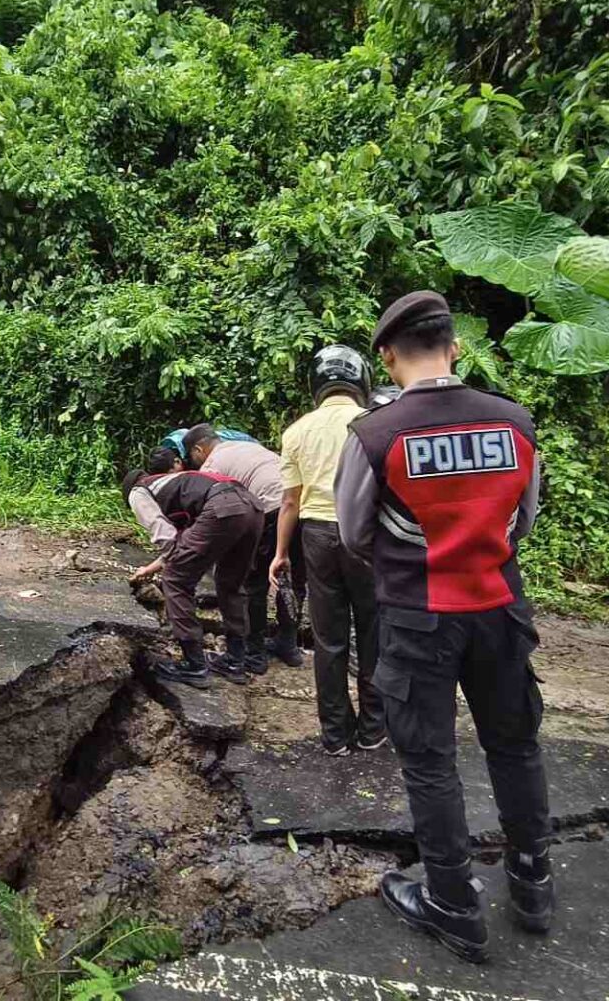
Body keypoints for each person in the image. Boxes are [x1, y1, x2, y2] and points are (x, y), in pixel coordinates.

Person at [335, 291, 552, 964]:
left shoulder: (375, 435)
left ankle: (455, 905)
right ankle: (533, 883)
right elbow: (526, 519)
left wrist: (411, 564)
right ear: (455, 348)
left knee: (431, 764)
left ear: (389, 358)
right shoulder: (514, 423)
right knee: (515, 747)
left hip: (418, 617)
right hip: (500, 610)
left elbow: (352, 533)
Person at [269, 346, 385, 757]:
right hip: (367, 535)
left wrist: (281, 552)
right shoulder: (374, 423)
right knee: (373, 630)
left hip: (315, 536)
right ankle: (373, 730)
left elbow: (289, 502)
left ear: (316, 385)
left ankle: (335, 735)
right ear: (362, 381)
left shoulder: (297, 431)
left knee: (328, 637)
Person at [124, 454, 264, 687]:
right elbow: (186, 543)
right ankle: (235, 660)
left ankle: (194, 664)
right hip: (251, 506)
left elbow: (164, 535)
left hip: (222, 507)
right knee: (230, 584)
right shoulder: (180, 484)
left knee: (176, 581)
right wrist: (150, 568)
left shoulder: (138, 492)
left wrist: (171, 569)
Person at [183, 423, 302, 674]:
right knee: (291, 581)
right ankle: (289, 646)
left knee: (253, 584)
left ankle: (254, 654)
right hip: (300, 508)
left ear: (198, 449)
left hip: (269, 509)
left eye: (191, 457)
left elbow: (222, 512)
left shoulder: (210, 466)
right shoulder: (247, 446)